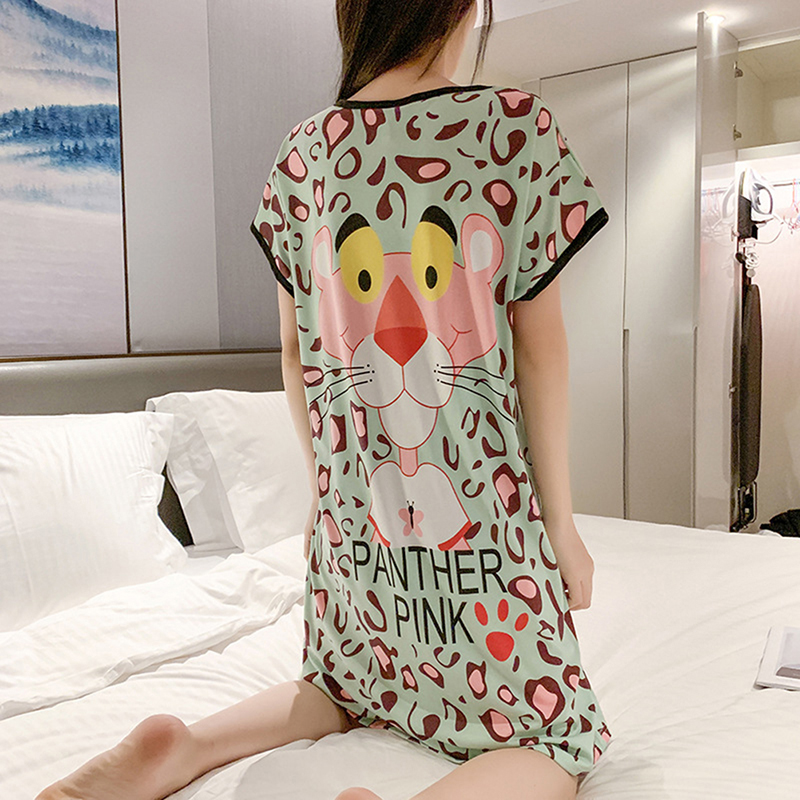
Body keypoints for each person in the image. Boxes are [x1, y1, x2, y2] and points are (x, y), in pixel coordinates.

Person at [35, 2, 612, 799]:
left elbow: (296, 355)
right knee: (556, 740)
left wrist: (322, 496)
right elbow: (540, 351)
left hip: (354, 525)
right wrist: (561, 525)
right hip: (485, 531)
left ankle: (189, 746)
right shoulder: (513, 128)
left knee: (341, 688)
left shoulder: (303, 153)